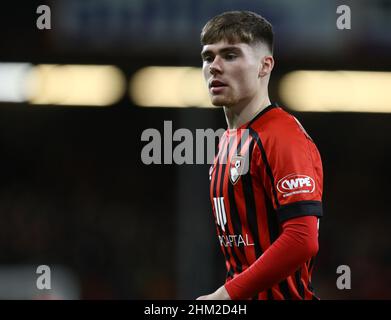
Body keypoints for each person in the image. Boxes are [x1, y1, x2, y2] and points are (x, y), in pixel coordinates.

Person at [196, 11, 323, 300]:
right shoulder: (228, 142)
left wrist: (225, 295)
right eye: (208, 57)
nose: (215, 67)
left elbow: (302, 240)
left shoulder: (282, 135)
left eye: (230, 55)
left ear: (265, 66)